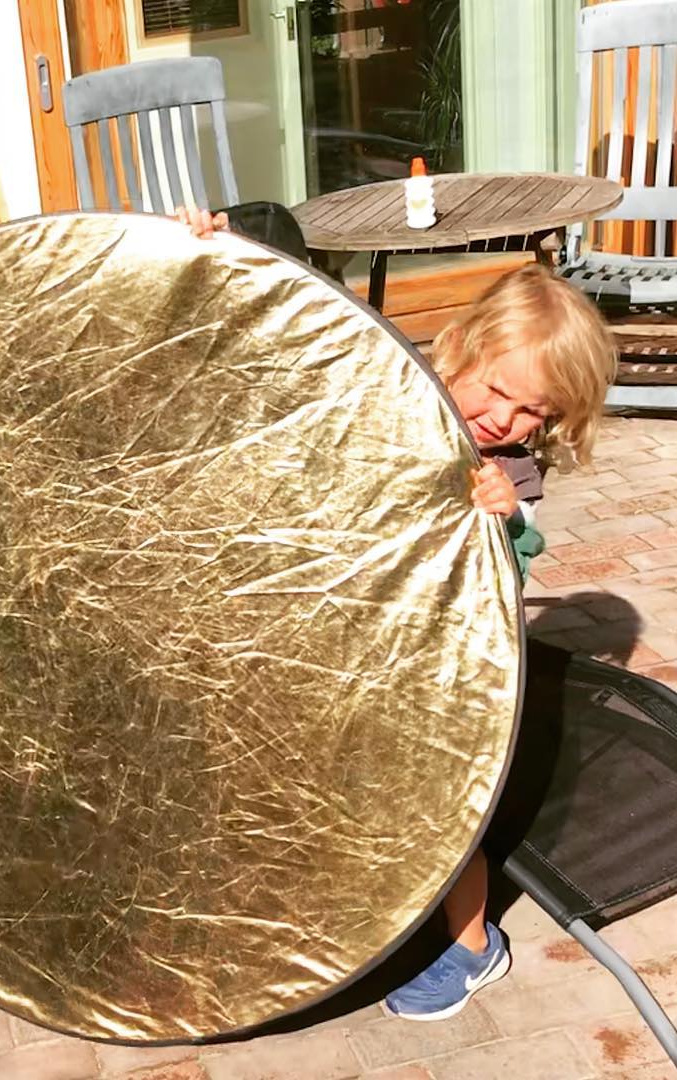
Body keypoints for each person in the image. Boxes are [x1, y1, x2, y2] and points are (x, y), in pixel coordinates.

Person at [176, 205, 616, 1020]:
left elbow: (511, 567)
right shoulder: (396, 392)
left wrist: (502, 521)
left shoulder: (507, 475)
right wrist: (221, 251)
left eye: (535, 414)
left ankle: (473, 946)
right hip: (347, 643)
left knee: (442, 815)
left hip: (437, 675)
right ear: (460, 349)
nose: (507, 421)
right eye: (499, 391)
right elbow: (305, 336)